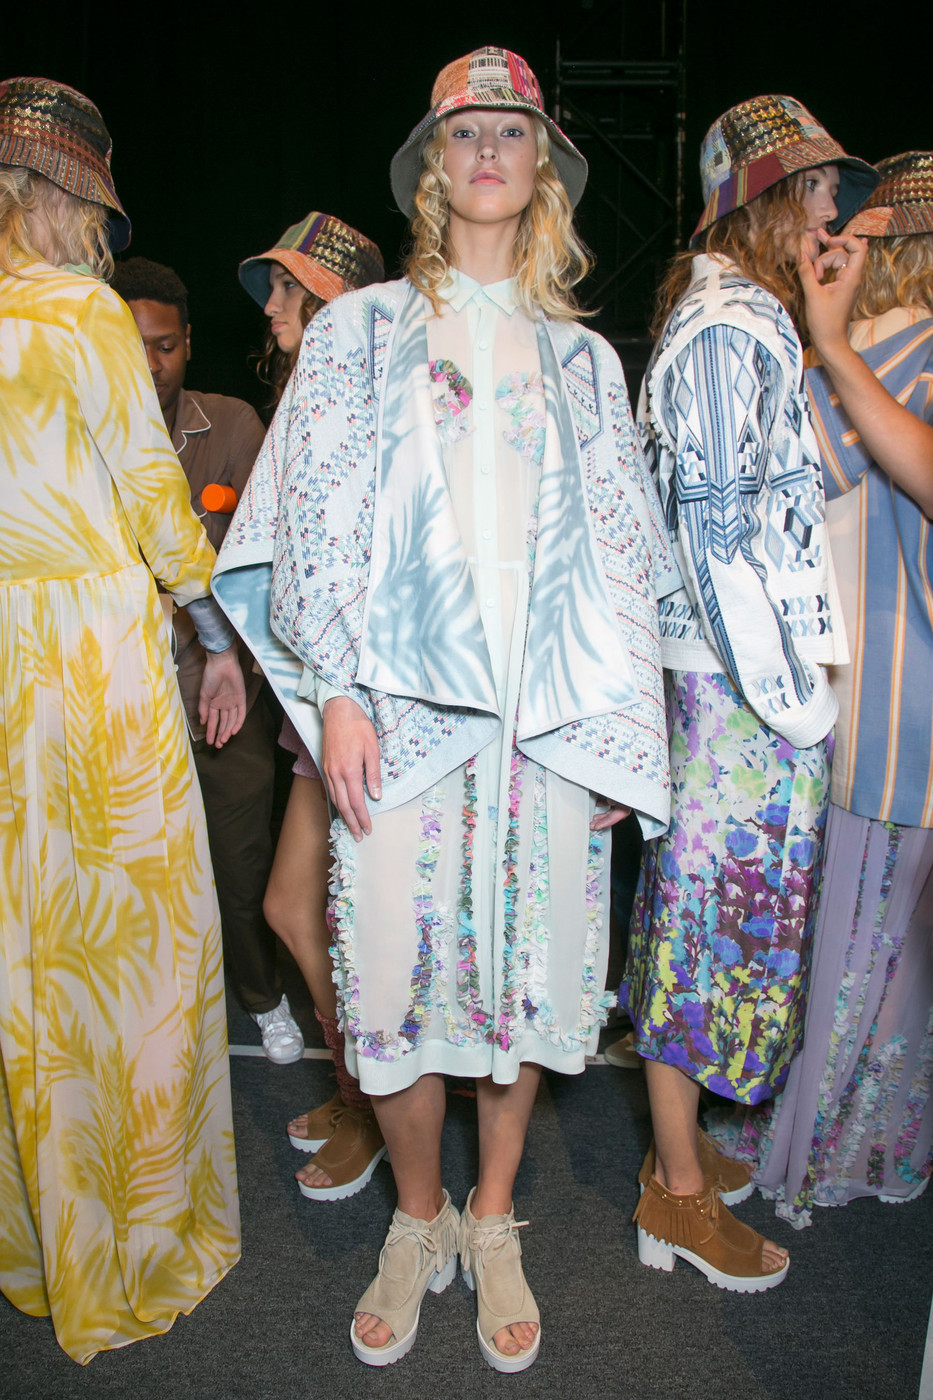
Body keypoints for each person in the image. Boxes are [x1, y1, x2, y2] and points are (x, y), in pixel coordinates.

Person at [215, 45, 673, 1372]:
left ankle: (493, 1213)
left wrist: (610, 739)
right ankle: (416, 1217)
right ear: (431, 167)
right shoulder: (358, 332)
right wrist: (336, 693)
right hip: (396, 727)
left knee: (525, 984)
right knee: (393, 984)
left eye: (511, 131)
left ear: (543, 169)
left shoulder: (584, 361)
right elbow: (308, 521)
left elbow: (623, 564)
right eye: (463, 132)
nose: (486, 151)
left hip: (541, 734)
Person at [0, 77, 243, 1363]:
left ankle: (37, 1235)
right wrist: (216, 637)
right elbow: (157, 499)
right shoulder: (80, 310)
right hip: (93, 663)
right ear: (73, 197)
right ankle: (136, 1237)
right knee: (134, 952)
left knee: (27, 952)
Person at [621, 95, 877, 1292]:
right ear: (765, 201)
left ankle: (677, 1157)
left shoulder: (742, 317)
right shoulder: (729, 328)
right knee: (698, 934)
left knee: (702, 926)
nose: (835, 215)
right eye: (818, 191)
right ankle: (674, 1192)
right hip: (736, 691)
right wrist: (799, 706)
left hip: (734, 686)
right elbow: (724, 543)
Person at [727, 151, 933, 1224]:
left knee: (859, 947)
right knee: (886, 956)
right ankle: (876, 1139)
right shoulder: (892, 347)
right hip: (890, 701)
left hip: (899, 710)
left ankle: (832, 1142)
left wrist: (827, 341)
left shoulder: (890, 346)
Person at [110, 257, 304, 1065]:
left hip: (221, 691)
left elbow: (260, 559)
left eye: (164, 346)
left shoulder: (228, 425)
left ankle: (260, 996)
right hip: (116, 692)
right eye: (131, 347)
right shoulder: (75, 437)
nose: (150, 363)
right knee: (129, 866)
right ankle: (142, 1017)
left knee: (241, 858)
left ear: (188, 343)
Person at [238, 214, 388, 1199]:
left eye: (292, 287)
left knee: (334, 915)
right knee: (294, 907)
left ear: (338, 303)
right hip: (315, 699)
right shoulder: (303, 393)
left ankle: (377, 1102)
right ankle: (362, 1088)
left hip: (356, 702)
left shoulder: (362, 395)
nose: (272, 304)